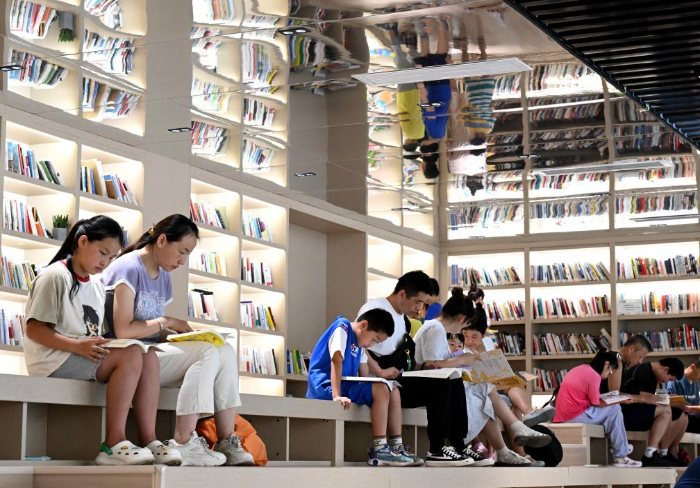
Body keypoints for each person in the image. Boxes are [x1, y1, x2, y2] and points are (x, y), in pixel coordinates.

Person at [101, 214, 254, 467]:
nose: (182, 261)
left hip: (150, 353)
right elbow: (124, 330)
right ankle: (184, 440)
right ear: (162, 240)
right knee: (207, 352)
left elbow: (152, 330)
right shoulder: (128, 268)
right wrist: (167, 321)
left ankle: (226, 439)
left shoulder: (163, 276)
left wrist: (184, 337)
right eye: (181, 252)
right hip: (127, 357)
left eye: (188, 255)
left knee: (223, 348)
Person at [23, 216, 169, 466]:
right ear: (82, 242)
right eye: (102, 253)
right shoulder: (54, 276)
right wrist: (76, 346)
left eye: (111, 258)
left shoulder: (96, 285)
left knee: (148, 354)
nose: (105, 263)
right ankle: (113, 443)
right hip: (54, 360)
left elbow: (96, 332)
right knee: (131, 355)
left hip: (82, 354)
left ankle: (149, 440)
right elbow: (34, 330)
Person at [414, 287, 551, 467]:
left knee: (484, 387)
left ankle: (514, 434)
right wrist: (463, 359)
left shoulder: (436, 327)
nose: (460, 331)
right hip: (433, 387)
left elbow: (436, 365)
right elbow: (432, 366)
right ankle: (513, 435)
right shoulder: (436, 329)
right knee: (483, 392)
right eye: (464, 326)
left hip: (441, 385)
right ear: (461, 318)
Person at [358, 271, 472, 466]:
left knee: (453, 380)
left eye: (423, 303)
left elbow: (404, 358)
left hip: (399, 377)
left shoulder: (403, 320)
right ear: (403, 294)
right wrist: (379, 371)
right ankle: (436, 449)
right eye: (418, 302)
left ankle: (457, 444)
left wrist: (425, 366)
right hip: (380, 381)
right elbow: (359, 343)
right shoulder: (375, 308)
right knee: (440, 384)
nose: (420, 309)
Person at [306, 309, 418, 466]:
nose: (372, 344)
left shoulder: (360, 343)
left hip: (345, 385)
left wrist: (373, 389)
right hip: (326, 386)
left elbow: (364, 374)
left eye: (376, 343)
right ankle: (380, 450)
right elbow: (336, 359)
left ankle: (396, 446)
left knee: (393, 390)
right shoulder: (342, 327)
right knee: (381, 389)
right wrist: (336, 396)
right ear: (364, 325)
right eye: (374, 339)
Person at [553, 350, 641, 468]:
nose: (609, 374)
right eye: (610, 371)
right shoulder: (594, 376)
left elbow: (591, 398)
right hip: (575, 416)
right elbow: (596, 403)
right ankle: (620, 455)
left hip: (564, 415)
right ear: (606, 364)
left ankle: (619, 446)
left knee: (611, 412)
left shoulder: (582, 369)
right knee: (615, 408)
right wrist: (619, 400)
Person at [620, 357, 688, 467]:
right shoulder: (645, 372)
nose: (667, 382)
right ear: (665, 369)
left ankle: (664, 453)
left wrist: (676, 403)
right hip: (626, 414)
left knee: (681, 414)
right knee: (666, 410)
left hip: (638, 411)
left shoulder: (654, 375)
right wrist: (674, 403)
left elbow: (654, 398)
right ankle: (649, 454)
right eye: (670, 379)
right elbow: (649, 400)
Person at [667, 359, 700, 433]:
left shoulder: (695, 383)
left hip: (693, 417)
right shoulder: (676, 379)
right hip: (681, 418)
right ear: (693, 367)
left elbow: (696, 403)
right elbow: (671, 402)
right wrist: (690, 408)